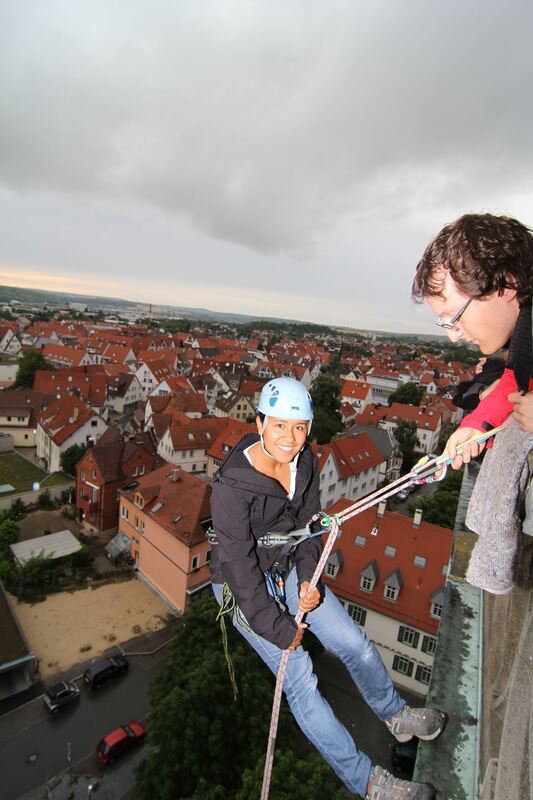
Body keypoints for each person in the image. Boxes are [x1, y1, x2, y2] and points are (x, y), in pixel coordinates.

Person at [210, 377, 445, 800]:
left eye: (299, 427)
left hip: (289, 568)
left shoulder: (306, 462)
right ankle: (369, 782)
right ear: (260, 422)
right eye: (279, 425)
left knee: (352, 641)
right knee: (300, 678)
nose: (289, 437)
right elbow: (240, 569)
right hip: (242, 586)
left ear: (310, 428)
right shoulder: (231, 488)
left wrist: (307, 579)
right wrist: (280, 629)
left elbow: (308, 528)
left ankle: (395, 714)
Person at [412, 213, 533, 593]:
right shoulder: (526, 331)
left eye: (454, 317)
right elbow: (516, 379)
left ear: (506, 286)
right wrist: (475, 426)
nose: (453, 336)